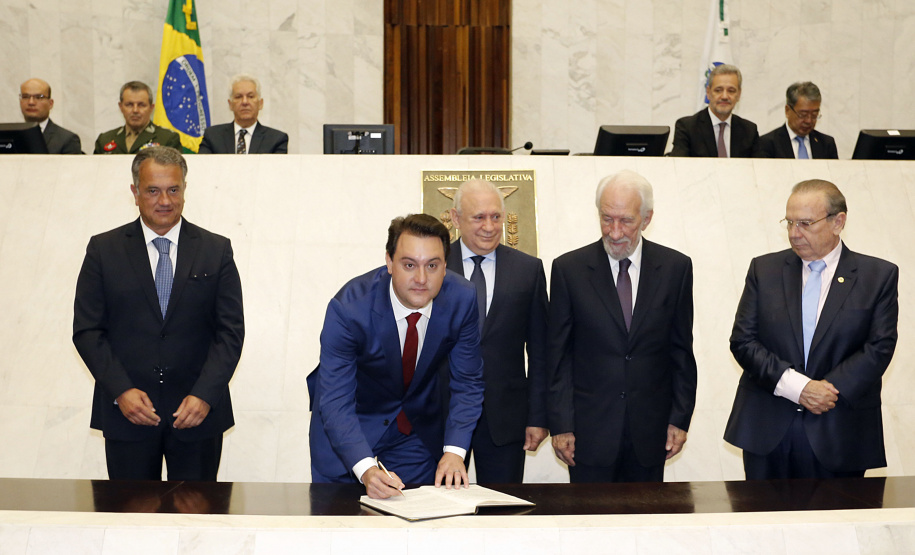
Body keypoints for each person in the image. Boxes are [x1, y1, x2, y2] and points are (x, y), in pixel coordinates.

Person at [73, 146, 245, 480]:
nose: (164, 200)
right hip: (128, 415)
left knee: (197, 523)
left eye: (173, 189)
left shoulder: (216, 250)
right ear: (135, 192)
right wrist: (121, 391)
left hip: (198, 416)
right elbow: (88, 331)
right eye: (152, 190)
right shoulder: (103, 250)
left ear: (184, 190)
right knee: (131, 522)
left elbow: (230, 333)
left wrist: (204, 395)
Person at [725, 179, 897, 479]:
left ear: (838, 222)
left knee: (837, 523)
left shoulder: (877, 276)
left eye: (805, 223)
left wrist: (826, 391)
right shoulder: (764, 270)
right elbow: (743, 341)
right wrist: (799, 388)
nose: (794, 233)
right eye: (789, 222)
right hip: (767, 430)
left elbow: (879, 347)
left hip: (839, 427)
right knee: (764, 522)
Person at [308, 214, 484, 499]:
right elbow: (335, 400)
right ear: (389, 262)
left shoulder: (461, 299)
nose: (421, 279)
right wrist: (366, 469)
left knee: (412, 527)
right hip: (349, 431)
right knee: (341, 530)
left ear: (445, 267)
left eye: (433, 265)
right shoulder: (349, 308)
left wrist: (454, 452)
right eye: (409, 264)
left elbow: (468, 381)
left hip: (413, 434)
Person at [547, 170, 697, 483]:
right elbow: (557, 358)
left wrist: (680, 419)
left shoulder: (675, 269)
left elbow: (681, 351)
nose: (615, 232)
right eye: (607, 219)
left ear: (647, 217)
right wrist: (561, 425)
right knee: (590, 525)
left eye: (626, 220)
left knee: (647, 525)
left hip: (650, 433)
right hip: (588, 435)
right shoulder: (568, 270)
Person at [445, 180, 549, 484]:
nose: (489, 227)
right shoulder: (435, 267)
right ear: (455, 218)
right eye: (479, 217)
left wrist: (538, 415)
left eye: (496, 217)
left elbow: (541, 351)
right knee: (439, 509)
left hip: (506, 418)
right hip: (443, 413)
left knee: (504, 510)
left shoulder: (528, 270)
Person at [669, 64, 759, 157]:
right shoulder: (687, 127)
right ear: (708, 93)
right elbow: (678, 167)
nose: (724, 96)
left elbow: (757, 169)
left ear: (739, 94)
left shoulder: (749, 131)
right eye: (718, 90)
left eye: (731, 91)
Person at [198, 75, 288, 154]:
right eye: (238, 97)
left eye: (250, 96)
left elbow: (277, 171)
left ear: (260, 104)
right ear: (230, 104)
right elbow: (203, 169)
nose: (245, 102)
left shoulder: (276, 140)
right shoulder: (212, 136)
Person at [94, 82, 181, 154]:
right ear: (120, 107)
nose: (135, 110)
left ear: (151, 108)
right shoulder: (105, 140)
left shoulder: (167, 139)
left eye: (141, 105)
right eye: (129, 105)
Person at [757, 82, 839, 159]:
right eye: (803, 114)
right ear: (787, 110)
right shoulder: (767, 143)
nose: (809, 121)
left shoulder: (826, 144)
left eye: (814, 115)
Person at [18, 78, 82, 154]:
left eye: (39, 97)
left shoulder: (67, 139)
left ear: (50, 104)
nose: (31, 102)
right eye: (25, 97)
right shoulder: (10, 135)